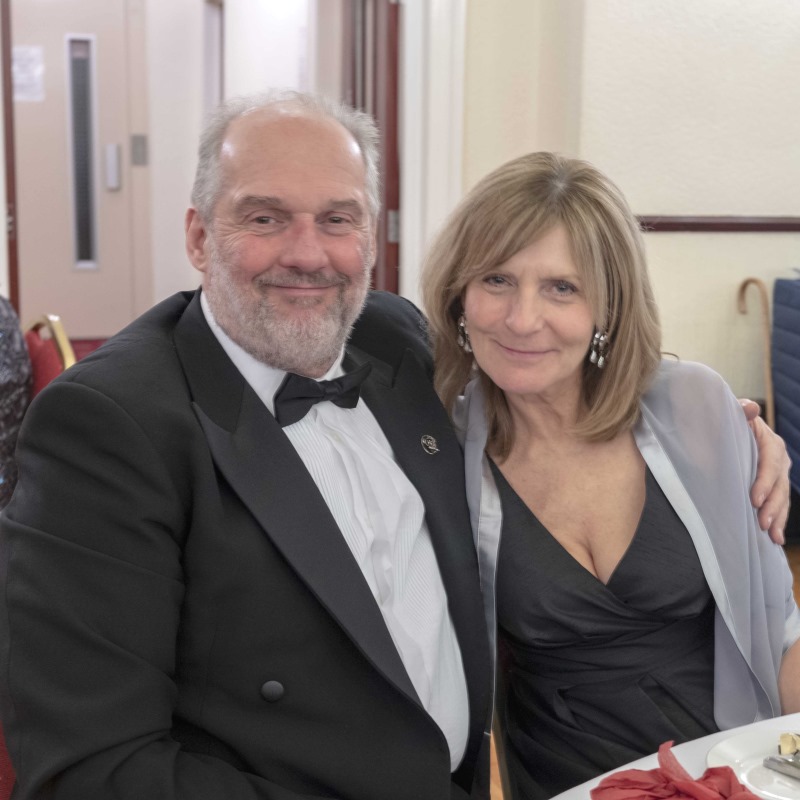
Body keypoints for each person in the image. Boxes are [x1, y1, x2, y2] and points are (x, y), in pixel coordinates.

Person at [0, 91, 492, 799]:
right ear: (200, 237)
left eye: (338, 219)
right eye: (265, 218)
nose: (308, 255)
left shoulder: (396, 340)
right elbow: (93, 770)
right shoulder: (107, 425)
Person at [421, 152, 800, 799]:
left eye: (561, 288)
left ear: (609, 304)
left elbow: (781, 631)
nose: (522, 319)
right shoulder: (439, 450)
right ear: (459, 295)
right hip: (572, 777)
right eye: (497, 280)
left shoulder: (697, 408)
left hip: (732, 762)